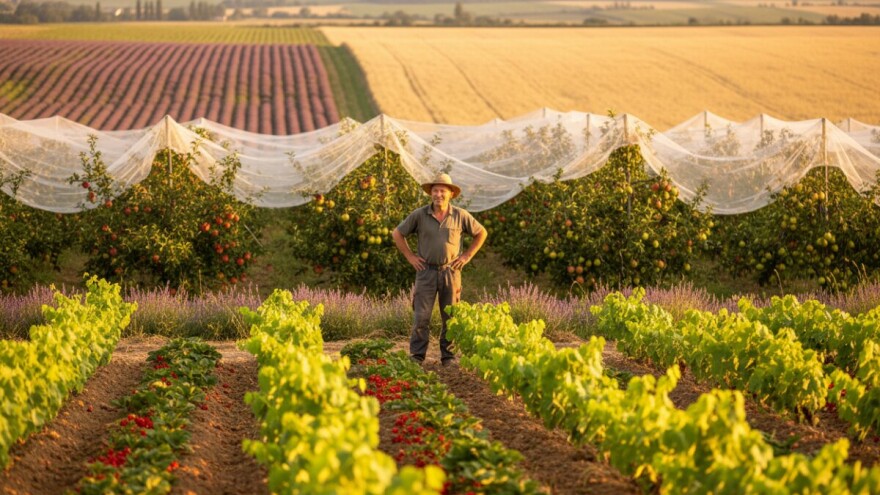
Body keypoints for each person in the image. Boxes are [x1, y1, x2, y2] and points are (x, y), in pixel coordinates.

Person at [392, 173, 487, 366]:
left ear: (451, 194)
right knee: (421, 316)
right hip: (425, 271)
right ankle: (417, 356)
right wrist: (410, 257)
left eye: (443, 190)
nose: (438, 194)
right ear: (431, 193)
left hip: (451, 272)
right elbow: (397, 233)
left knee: (450, 317)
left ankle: (448, 357)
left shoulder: (460, 215)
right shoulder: (420, 214)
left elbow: (481, 233)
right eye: (435, 190)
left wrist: (466, 256)